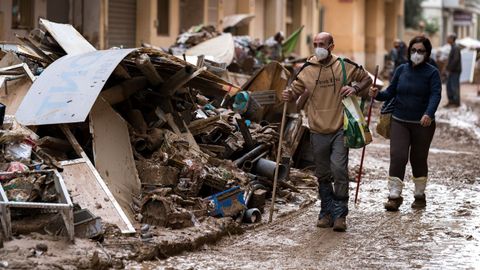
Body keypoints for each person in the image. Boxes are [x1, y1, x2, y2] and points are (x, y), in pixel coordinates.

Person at [282, 32, 372, 232]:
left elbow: (366, 78)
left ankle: (340, 215)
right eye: (315, 44)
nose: (318, 47)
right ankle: (326, 212)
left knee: (339, 170)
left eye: (322, 43)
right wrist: (288, 94)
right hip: (317, 129)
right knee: (322, 174)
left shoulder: (343, 65)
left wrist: (355, 88)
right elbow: (294, 91)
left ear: (331, 45)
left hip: (340, 128)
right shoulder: (306, 69)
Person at [369, 36, 441, 211]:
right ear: (409, 52)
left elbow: (435, 95)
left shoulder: (432, 73)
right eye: (413, 50)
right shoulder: (401, 70)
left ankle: (419, 195)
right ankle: (394, 196)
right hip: (399, 120)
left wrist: (428, 113)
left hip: (422, 123)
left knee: (418, 159)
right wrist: (376, 94)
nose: (416, 54)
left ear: (427, 53)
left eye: (421, 51)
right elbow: (390, 92)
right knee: (398, 156)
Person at [445, 33, 462, 107]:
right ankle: (451, 101)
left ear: (452, 39)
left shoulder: (456, 47)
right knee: (449, 86)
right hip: (452, 70)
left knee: (454, 86)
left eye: (448, 38)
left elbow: (455, 60)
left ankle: (456, 102)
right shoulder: (453, 47)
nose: (447, 39)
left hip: (454, 71)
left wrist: (450, 69)